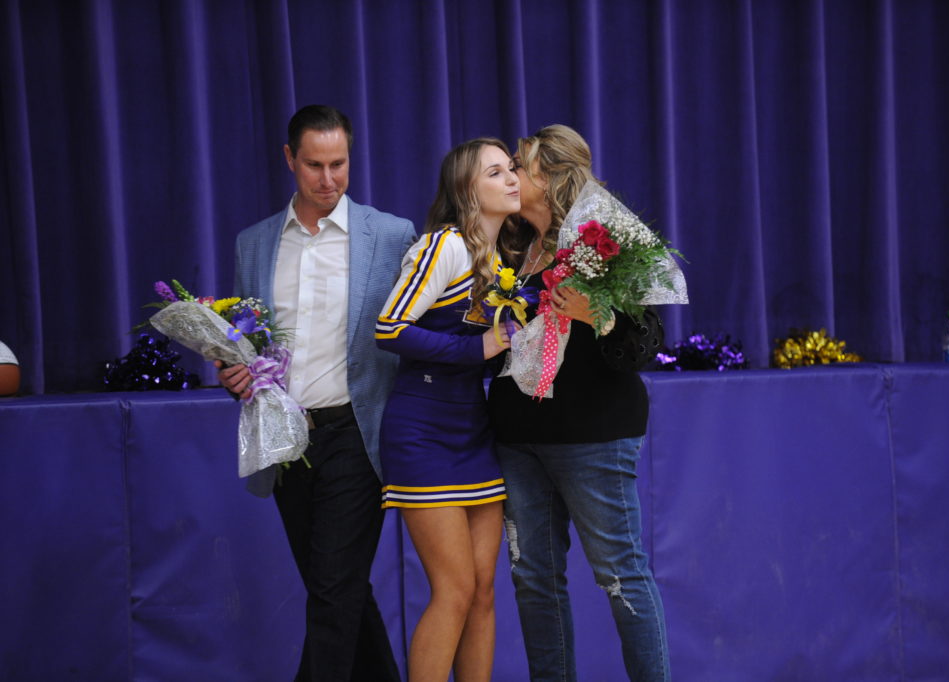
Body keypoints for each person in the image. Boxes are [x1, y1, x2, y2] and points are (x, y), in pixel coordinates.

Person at [216, 105, 416, 682]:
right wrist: (233, 372)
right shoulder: (254, 244)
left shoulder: (391, 235)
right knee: (338, 589)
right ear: (289, 159)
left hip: (357, 433)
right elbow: (244, 342)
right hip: (286, 439)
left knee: (332, 592)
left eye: (339, 164)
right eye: (314, 165)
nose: (328, 179)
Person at [488, 124, 672, 681]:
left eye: (519, 166)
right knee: (533, 579)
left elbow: (647, 341)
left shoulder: (601, 238)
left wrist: (602, 317)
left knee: (620, 576)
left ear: (548, 178)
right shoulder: (512, 244)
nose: (510, 176)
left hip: (594, 434)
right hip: (519, 436)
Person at [375, 137, 520, 681]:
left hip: (473, 432)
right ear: (466, 189)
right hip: (423, 432)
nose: (511, 178)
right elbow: (389, 329)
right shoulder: (444, 246)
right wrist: (475, 349)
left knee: (482, 591)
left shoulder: (501, 261)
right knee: (455, 589)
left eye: (511, 168)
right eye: (494, 172)